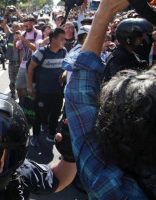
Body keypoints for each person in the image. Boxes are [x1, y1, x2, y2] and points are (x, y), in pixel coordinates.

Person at [62, 0, 156, 198]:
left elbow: (80, 95)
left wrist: (103, 13)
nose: (145, 40)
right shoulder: (118, 58)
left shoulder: (111, 186)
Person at [27, 28, 67, 147]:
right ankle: (35, 137)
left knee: (55, 113)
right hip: (42, 91)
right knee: (39, 115)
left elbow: (66, 66)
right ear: (53, 39)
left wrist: (64, 74)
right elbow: (31, 68)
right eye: (62, 39)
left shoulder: (64, 51)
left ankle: (51, 134)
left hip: (58, 91)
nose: (64, 41)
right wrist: (30, 87)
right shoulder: (42, 52)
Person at [103, 18, 151, 83]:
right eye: (139, 35)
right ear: (129, 37)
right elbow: (116, 85)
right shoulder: (119, 57)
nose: (142, 37)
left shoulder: (130, 54)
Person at [14, 15, 42, 99]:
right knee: (18, 86)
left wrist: (25, 40)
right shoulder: (24, 33)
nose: (26, 27)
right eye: (24, 26)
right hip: (23, 65)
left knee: (31, 89)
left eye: (27, 25)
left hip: (32, 65)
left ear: (33, 23)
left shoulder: (38, 33)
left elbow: (36, 48)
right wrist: (15, 40)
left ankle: (33, 106)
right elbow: (15, 48)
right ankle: (22, 103)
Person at [2, 7, 21, 99]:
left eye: (16, 27)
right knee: (12, 80)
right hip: (12, 62)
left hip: (21, 63)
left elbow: (23, 20)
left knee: (20, 81)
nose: (14, 29)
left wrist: (17, 12)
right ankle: (13, 94)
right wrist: (6, 13)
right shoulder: (10, 35)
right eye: (13, 27)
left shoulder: (23, 36)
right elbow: (4, 24)